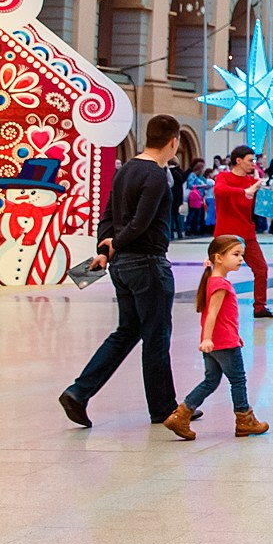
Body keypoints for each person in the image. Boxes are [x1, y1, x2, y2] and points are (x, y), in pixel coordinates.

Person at [60, 115, 188, 429]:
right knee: (156, 337)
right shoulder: (156, 174)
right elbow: (141, 222)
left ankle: (78, 392)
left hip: (122, 266)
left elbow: (108, 215)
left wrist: (106, 250)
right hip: (147, 263)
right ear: (173, 141)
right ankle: (163, 408)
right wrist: (115, 243)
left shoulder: (126, 169)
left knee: (127, 331)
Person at [161, 235, 269, 440]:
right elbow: (212, 313)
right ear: (219, 258)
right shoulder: (221, 284)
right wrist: (208, 338)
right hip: (222, 342)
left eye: (241, 255)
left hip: (219, 340)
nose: (240, 259)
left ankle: (181, 414)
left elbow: (222, 317)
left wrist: (225, 336)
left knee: (211, 380)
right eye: (235, 254)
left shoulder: (213, 280)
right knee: (238, 380)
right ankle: (244, 419)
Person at [212, 146, 273, 320]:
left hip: (246, 233)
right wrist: (244, 192)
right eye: (250, 160)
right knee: (219, 271)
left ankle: (260, 307)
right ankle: (214, 305)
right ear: (238, 161)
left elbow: (260, 206)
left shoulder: (251, 181)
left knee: (261, 268)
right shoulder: (223, 177)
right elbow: (219, 190)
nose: (253, 164)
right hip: (226, 234)